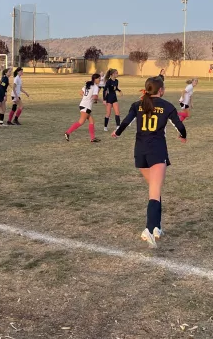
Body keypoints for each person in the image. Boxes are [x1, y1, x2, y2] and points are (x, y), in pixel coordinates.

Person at [111, 76, 187, 248]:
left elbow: (125, 122)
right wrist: (183, 136)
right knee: (154, 192)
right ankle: (148, 228)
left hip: (140, 153)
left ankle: (157, 228)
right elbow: (179, 125)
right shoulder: (167, 106)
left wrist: (117, 133)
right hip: (157, 151)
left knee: (155, 188)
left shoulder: (137, 105)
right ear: (160, 90)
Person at [65, 73, 102, 142]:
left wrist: (86, 98)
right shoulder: (95, 87)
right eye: (99, 78)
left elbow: (81, 92)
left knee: (91, 121)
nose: (100, 80)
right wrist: (102, 101)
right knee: (81, 122)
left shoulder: (88, 84)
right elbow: (95, 97)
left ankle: (92, 138)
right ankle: (67, 133)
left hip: (83, 104)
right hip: (86, 106)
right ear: (95, 79)